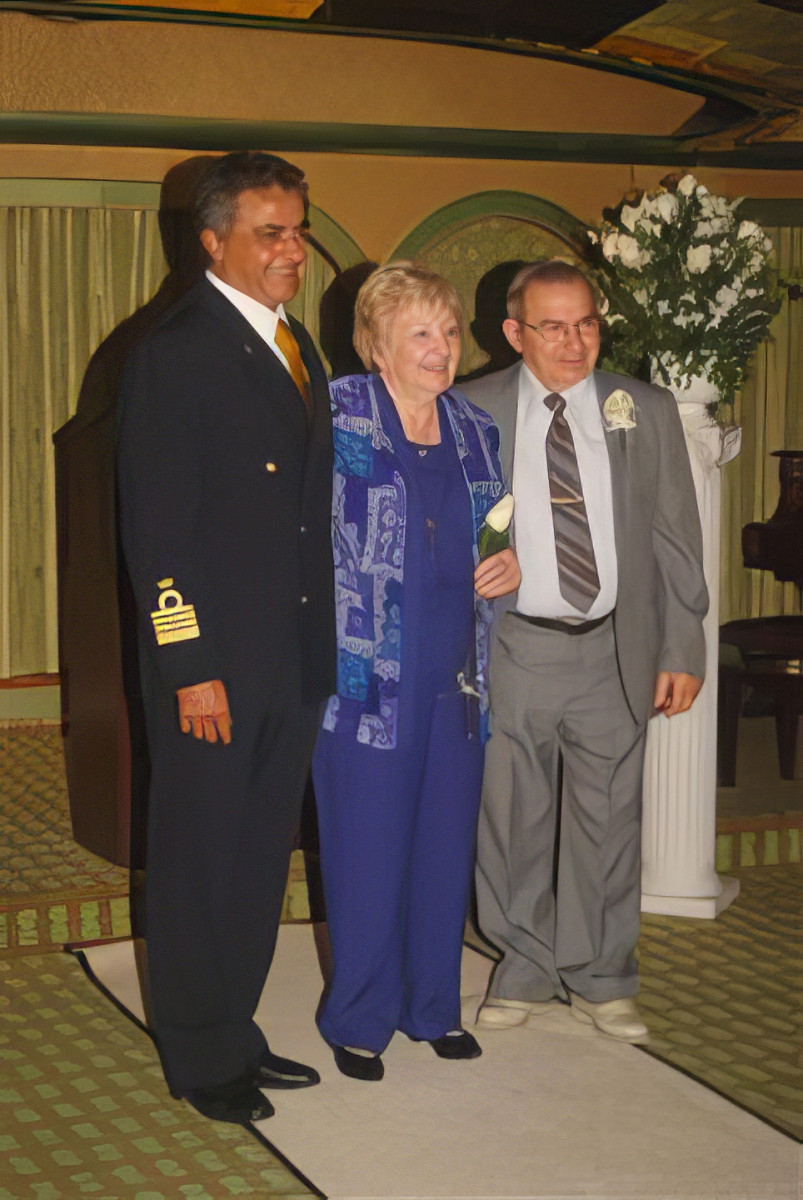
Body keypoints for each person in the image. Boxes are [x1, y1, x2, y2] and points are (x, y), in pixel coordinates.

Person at [117, 151, 336, 1123]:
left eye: (298, 229)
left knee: (254, 859)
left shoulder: (294, 344)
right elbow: (157, 537)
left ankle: (235, 1030)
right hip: (215, 665)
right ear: (212, 241)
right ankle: (199, 1056)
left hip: (289, 655)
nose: (293, 249)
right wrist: (190, 667)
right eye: (269, 232)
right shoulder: (175, 351)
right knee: (199, 858)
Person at [460, 259, 708, 1043]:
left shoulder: (644, 408)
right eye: (553, 327)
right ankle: (524, 967)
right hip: (515, 646)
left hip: (612, 647)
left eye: (587, 324)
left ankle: (603, 977)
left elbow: (675, 538)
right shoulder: (471, 408)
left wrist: (683, 644)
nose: (574, 342)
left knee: (608, 821)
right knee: (512, 819)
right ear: (514, 333)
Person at [313, 262, 521, 1080]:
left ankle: (432, 1006)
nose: (441, 349)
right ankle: (358, 1018)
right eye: (420, 334)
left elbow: (494, 528)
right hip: (363, 679)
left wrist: (508, 564)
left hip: (457, 677)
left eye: (448, 331)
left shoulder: (474, 427)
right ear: (376, 345)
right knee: (367, 852)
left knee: (442, 849)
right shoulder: (333, 415)